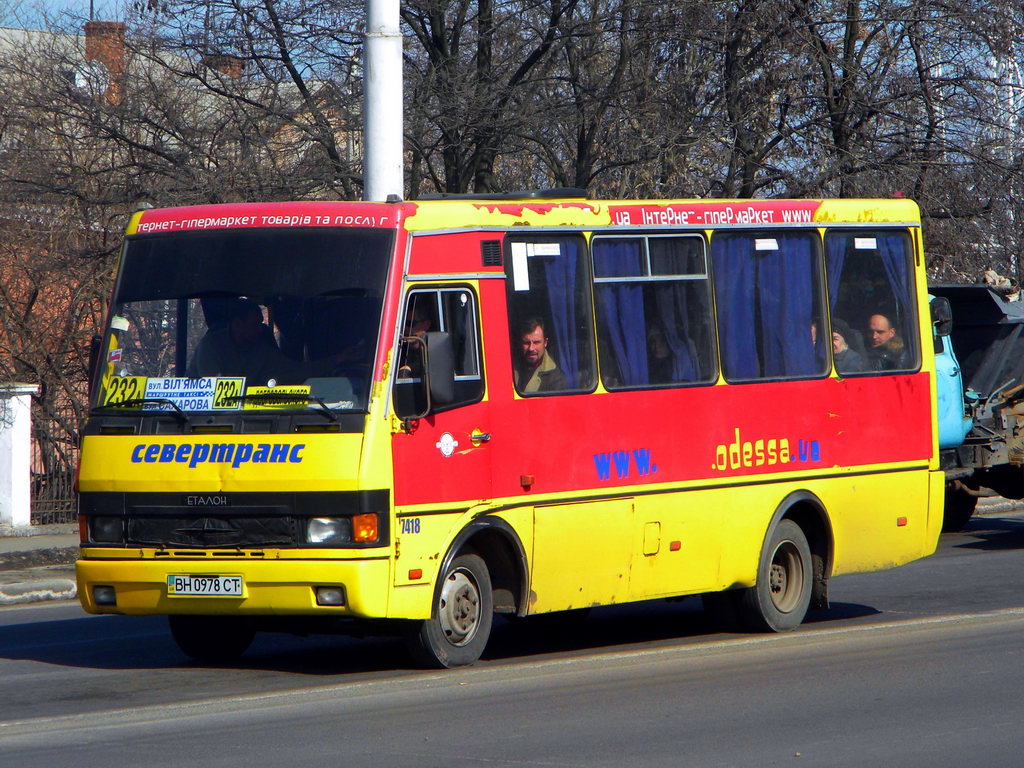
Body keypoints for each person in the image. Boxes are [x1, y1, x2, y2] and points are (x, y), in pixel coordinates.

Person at [188, 298, 338, 385]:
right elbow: (214, 392)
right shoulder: (211, 347)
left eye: (260, 324)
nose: (260, 330)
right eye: (254, 325)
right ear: (237, 324)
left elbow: (296, 370)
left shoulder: (260, 349)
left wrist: (340, 359)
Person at [515, 316, 567, 393]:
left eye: (536, 342)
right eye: (526, 343)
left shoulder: (556, 379)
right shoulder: (510, 367)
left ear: (545, 343)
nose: (531, 348)